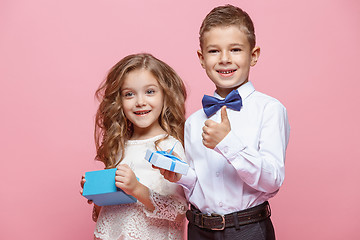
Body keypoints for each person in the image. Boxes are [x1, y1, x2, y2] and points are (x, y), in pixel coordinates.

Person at [158, 5, 290, 240]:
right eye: (214, 51)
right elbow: (199, 183)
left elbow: (272, 181)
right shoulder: (194, 121)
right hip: (199, 229)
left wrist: (228, 142)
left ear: (254, 55)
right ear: (201, 58)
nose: (225, 59)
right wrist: (179, 175)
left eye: (236, 49)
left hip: (248, 229)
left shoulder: (270, 109)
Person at [80, 53, 188, 240]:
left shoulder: (169, 147)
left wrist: (137, 189)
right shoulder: (118, 146)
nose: (140, 102)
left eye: (150, 91)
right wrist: (98, 193)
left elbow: (178, 211)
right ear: (119, 101)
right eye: (129, 94)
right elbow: (112, 214)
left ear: (165, 95)